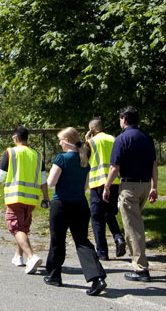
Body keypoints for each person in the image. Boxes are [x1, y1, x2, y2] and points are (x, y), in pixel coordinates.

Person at [43, 127, 107, 295]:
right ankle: (97, 277)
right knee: (82, 241)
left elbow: (51, 182)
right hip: (80, 204)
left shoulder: (61, 159)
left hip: (61, 204)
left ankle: (55, 274)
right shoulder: (84, 160)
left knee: (57, 240)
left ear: (67, 141)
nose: (59, 143)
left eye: (61, 140)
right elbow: (85, 186)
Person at [104, 107, 157, 282]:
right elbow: (154, 165)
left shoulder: (122, 139)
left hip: (129, 186)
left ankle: (141, 268)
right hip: (145, 185)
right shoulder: (147, 138)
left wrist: (107, 186)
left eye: (120, 118)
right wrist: (154, 187)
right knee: (135, 224)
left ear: (124, 119)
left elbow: (114, 167)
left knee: (133, 228)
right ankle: (139, 263)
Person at [0, 125, 49, 274]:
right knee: (23, 228)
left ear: (15, 138)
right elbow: (43, 179)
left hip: (15, 196)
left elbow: (1, 174)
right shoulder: (37, 155)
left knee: (15, 228)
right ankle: (18, 256)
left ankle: (31, 256)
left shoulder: (11, 152)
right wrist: (46, 197)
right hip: (31, 199)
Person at [86, 117, 126, 260]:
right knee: (109, 213)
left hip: (97, 183)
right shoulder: (114, 139)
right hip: (114, 182)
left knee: (96, 217)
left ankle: (102, 252)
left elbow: (83, 160)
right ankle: (118, 237)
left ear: (92, 129)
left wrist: (86, 140)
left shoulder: (91, 142)